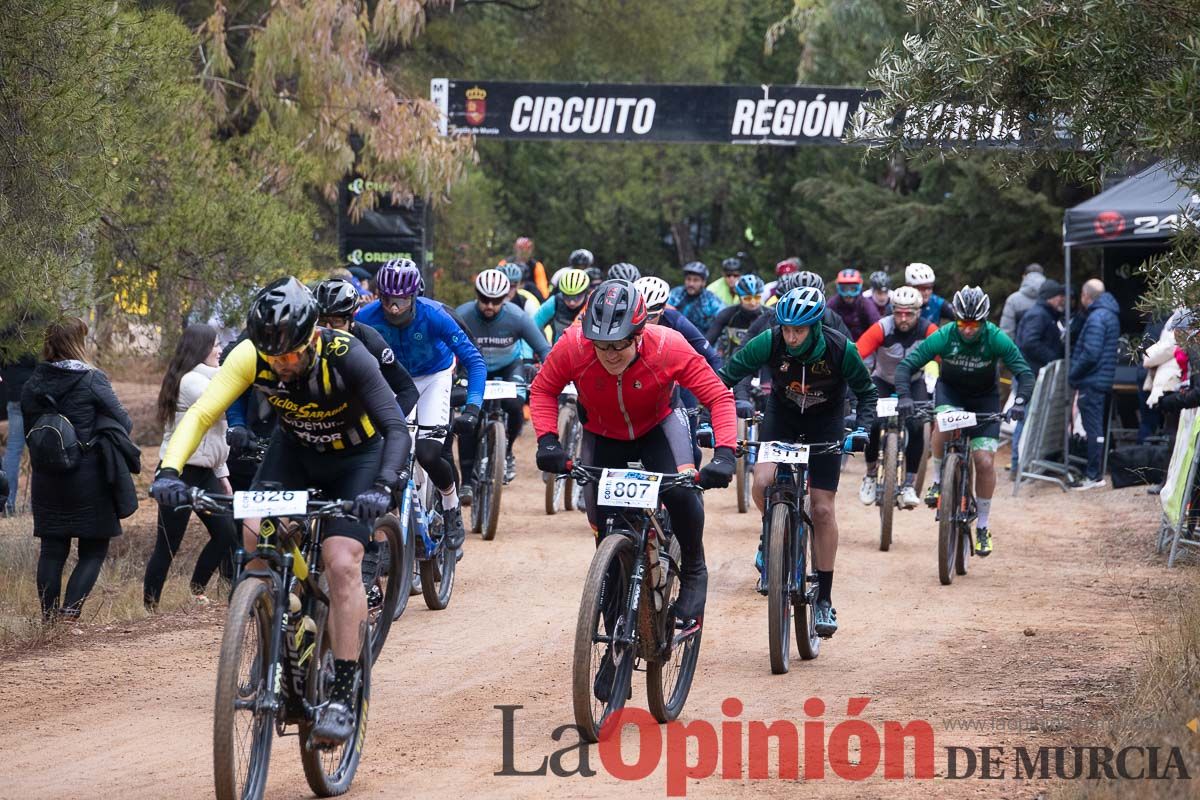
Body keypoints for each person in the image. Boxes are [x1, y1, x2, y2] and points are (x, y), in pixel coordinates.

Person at [152, 277, 411, 744]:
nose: (284, 366)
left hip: (357, 459)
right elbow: (202, 413)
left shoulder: (348, 354)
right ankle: (276, 631)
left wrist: (384, 486)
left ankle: (344, 689)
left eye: (292, 355)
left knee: (341, 561)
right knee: (255, 537)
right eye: (275, 359)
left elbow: (395, 426)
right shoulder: (251, 354)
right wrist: (169, 470)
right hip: (294, 455)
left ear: (313, 335)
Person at [530, 280, 738, 631]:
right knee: (603, 528)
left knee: (681, 492)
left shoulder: (668, 346)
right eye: (601, 346)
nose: (610, 355)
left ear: (639, 334)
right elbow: (543, 389)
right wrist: (548, 440)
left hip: (658, 427)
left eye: (619, 345)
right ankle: (614, 644)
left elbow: (718, 397)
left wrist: (725, 454)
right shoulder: (573, 346)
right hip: (603, 433)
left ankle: (693, 569)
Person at [718, 286, 877, 637]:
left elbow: (867, 392)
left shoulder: (839, 348)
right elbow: (726, 376)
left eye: (799, 330)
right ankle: (770, 534)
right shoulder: (770, 340)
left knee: (821, 509)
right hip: (782, 417)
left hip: (826, 420)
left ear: (814, 326)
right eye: (787, 329)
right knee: (761, 482)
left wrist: (862, 429)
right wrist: (709, 413)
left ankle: (824, 598)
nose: (791, 337)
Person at [356, 259, 485, 555]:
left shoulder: (435, 315)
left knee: (427, 452)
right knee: (390, 453)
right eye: (386, 299)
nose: (392, 307)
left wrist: (473, 408)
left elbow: (474, 361)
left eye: (400, 300)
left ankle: (451, 507)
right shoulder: (366, 318)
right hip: (391, 380)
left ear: (413, 296)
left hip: (432, 378)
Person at [894, 287, 1035, 557]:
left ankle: (982, 525)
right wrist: (904, 396)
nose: (968, 330)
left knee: (983, 461)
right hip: (952, 392)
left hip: (985, 399)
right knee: (942, 422)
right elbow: (906, 366)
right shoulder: (944, 336)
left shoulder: (996, 337)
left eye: (974, 324)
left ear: (983, 322)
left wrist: (1020, 402)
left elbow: (1024, 373)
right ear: (955, 320)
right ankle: (937, 480)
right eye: (963, 323)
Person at [23, 317, 135, 622]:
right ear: (77, 342)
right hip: (88, 477)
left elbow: (30, 428)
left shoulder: (34, 382)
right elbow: (124, 422)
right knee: (94, 549)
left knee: (52, 549)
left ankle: (49, 622)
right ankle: (69, 615)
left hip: (47, 477)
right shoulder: (92, 379)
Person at [143, 324, 239, 610]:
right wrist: (240, 372)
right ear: (200, 348)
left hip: (205, 473)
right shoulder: (190, 381)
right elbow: (224, 405)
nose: (220, 350)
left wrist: (222, 474)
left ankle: (197, 588)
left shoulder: (207, 377)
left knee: (226, 533)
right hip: (178, 473)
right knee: (168, 545)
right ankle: (150, 606)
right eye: (215, 345)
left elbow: (213, 439)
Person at [456, 269, 551, 489]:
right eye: (484, 299)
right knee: (470, 418)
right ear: (476, 295)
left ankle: (506, 451)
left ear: (505, 297)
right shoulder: (463, 314)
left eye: (496, 300)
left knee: (514, 404)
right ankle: (467, 482)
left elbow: (543, 348)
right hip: (472, 370)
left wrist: (550, 370)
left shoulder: (516, 316)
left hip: (509, 367)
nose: (490, 305)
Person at [855, 286, 938, 508]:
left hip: (914, 381)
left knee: (917, 424)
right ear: (892, 311)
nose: (903, 318)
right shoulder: (882, 327)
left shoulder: (929, 330)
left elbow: (946, 358)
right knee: (871, 423)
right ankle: (871, 475)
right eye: (898, 312)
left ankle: (909, 483)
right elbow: (856, 354)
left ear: (918, 312)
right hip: (882, 379)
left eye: (908, 313)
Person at [313, 278, 419, 417]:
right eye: (321, 322)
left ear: (351, 320)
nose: (328, 329)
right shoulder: (303, 340)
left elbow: (408, 390)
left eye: (336, 322)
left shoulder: (371, 341)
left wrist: (388, 425)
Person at [1069, 278, 1120, 491]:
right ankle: (1096, 472)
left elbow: (1090, 353)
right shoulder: (1110, 314)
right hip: (1102, 379)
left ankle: (1094, 474)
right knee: (1096, 428)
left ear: (1086, 296)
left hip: (1092, 380)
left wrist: (1073, 373)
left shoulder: (1097, 318)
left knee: (1093, 429)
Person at [1012, 279, 1066, 472]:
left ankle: (1022, 463)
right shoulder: (1039, 315)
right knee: (1025, 417)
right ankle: (1017, 464)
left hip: (1032, 373)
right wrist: (1052, 359)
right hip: (1030, 375)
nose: (1063, 300)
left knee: (1028, 417)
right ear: (1051, 297)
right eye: (1060, 296)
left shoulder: (1046, 314)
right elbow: (1029, 343)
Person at [748, 271, 853, 340]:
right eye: (798, 299)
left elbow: (849, 351)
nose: (804, 305)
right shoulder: (776, 315)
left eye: (811, 300)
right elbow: (753, 344)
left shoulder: (831, 318)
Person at [1, 325, 37, 514]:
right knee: (39, 447)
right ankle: (37, 503)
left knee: (13, 449)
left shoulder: (5, 326)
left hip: (14, 395)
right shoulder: (37, 324)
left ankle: (7, 502)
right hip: (35, 395)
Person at [705, 274, 769, 361]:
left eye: (757, 298)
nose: (753, 303)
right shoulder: (727, 314)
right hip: (733, 362)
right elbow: (708, 341)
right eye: (747, 299)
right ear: (739, 298)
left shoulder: (769, 315)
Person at [534, 268, 592, 342]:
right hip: (558, 350)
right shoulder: (554, 301)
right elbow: (533, 325)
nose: (572, 302)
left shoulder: (591, 304)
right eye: (567, 296)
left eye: (577, 297)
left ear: (585, 292)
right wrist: (543, 348)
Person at [668, 261, 724, 332]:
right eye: (688, 279)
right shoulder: (676, 293)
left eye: (696, 280)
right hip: (676, 337)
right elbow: (663, 308)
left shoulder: (710, 299)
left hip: (703, 339)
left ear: (703, 282)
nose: (691, 284)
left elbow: (723, 315)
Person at [827, 269, 881, 340]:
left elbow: (877, 327)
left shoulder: (866, 304)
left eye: (853, 289)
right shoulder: (832, 304)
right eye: (844, 289)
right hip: (839, 345)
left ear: (859, 287)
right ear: (838, 288)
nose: (848, 294)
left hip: (862, 345)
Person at [1000, 263, 1046, 338]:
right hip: (1045, 348)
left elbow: (1007, 330)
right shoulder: (1051, 299)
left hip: (1018, 348)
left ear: (1024, 277)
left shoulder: (1013, 299)